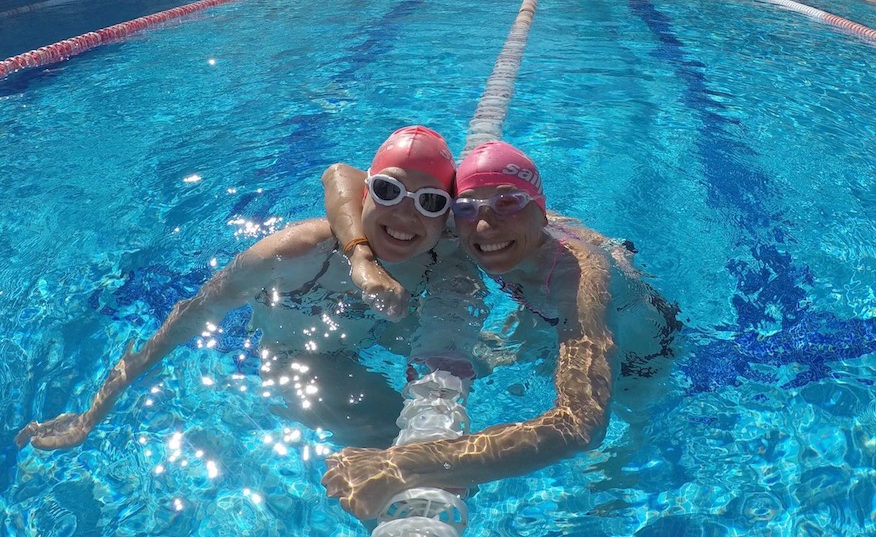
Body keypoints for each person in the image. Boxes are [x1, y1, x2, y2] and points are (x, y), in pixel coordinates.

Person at [15, 126, 487, 451]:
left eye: (429, 201)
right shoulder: (293, 255)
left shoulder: (442, 257)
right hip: (295, 355)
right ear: (366, 194)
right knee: (384, 436)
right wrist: (93, 413)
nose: (405, 214)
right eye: (388, 191)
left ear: (446, 215)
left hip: (376, 333)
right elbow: (183, 321)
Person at [321, 140, 679, 520]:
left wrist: (405, 465)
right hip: (546, 315)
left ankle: (618, 485)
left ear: (540, 213)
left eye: (508, 203)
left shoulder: (581, 277)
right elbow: (340, 174)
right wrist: (361, 257)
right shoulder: (474, 224)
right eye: (466, 207)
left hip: (640, 357)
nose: (486, 226)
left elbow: (582, 425)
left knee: (622, 445)